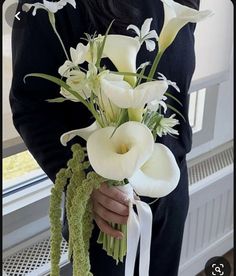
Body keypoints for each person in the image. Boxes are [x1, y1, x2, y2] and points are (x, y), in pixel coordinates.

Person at [10, 0, 200, 275]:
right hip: (104, 202)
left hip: (170, 188)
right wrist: (83, 180)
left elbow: (175, 83)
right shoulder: (49, 6)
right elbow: (30, 104)